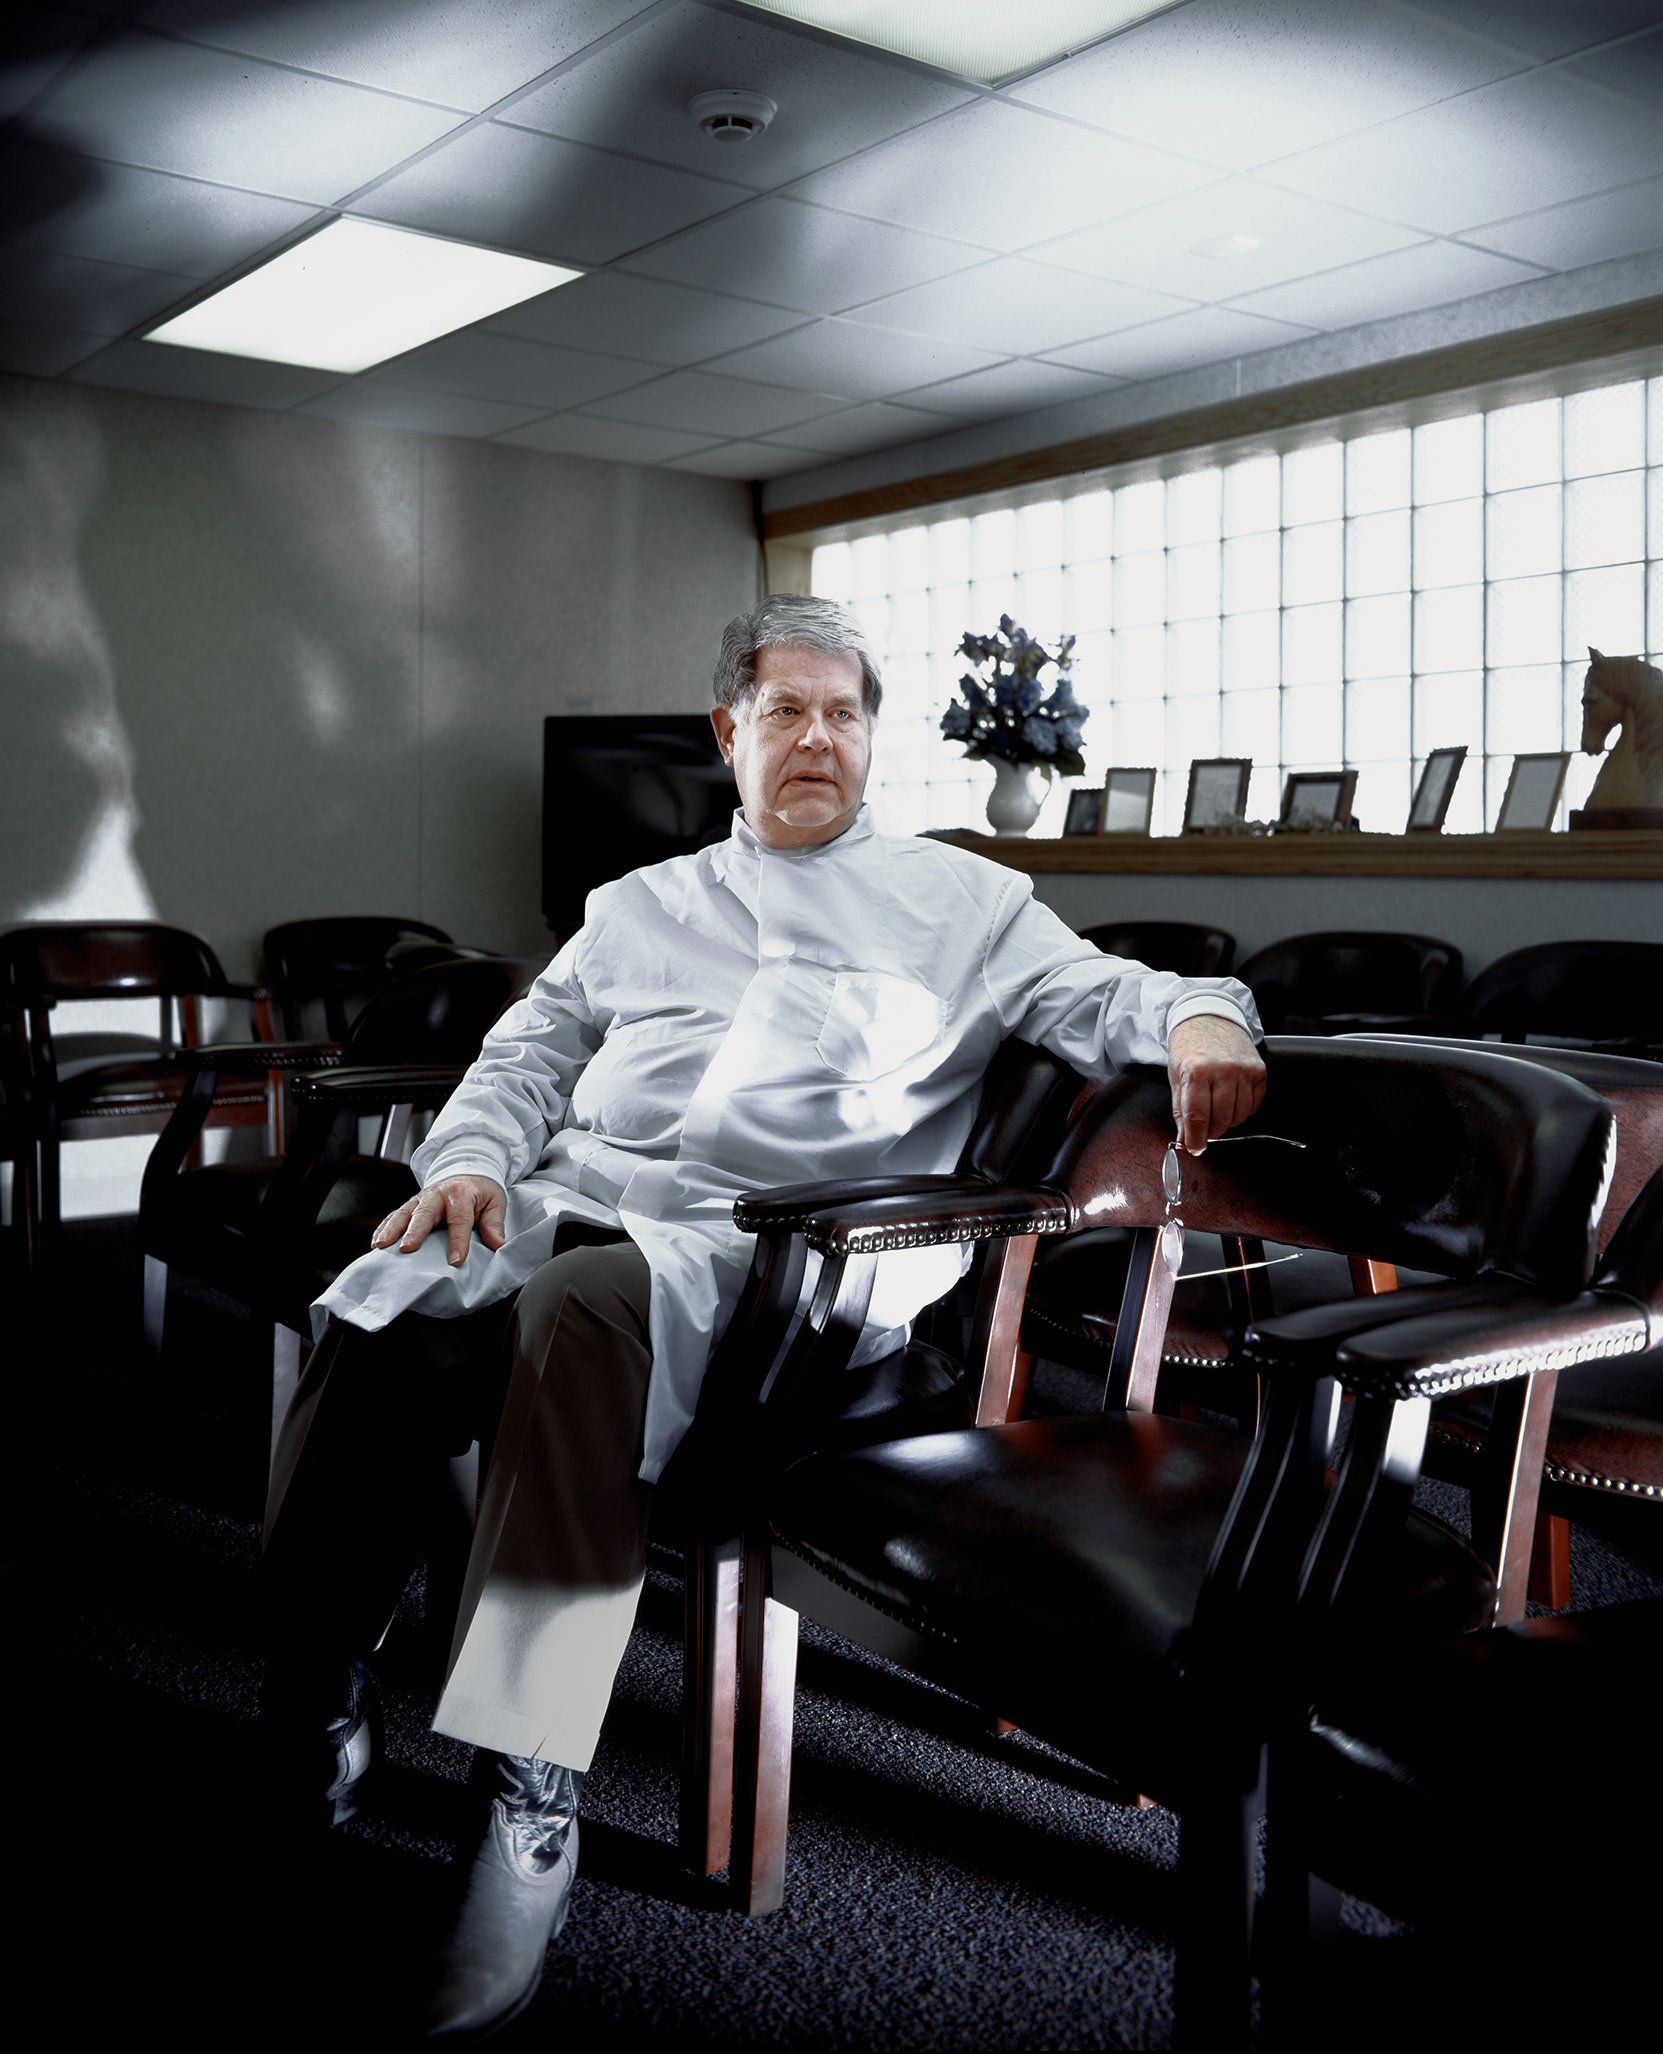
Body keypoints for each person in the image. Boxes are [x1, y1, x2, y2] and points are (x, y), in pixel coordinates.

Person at [260, 594, 1265, 2039]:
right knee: (384, 1293)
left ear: (872, 736)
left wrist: (1203, 1019)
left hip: (782, 1269)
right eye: (786, 710)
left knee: (580, 1313)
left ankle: (530, 1799)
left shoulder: (959, 899)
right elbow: (524, 1052)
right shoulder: (637, 904)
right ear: (729, 732)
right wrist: (470, 1164)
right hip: (580, 1198)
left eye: (843, 712)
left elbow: (1111, 991)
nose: (817, 737)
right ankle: (318, 1697)